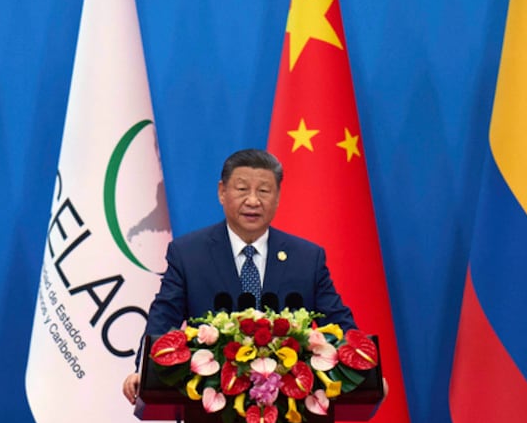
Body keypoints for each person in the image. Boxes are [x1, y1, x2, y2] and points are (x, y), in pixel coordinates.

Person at [122, 148, 355, 404]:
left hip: (292, 406)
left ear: (277, 196)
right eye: (242, 189)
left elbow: (337, 320)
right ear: (222, 192)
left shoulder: (307, 258)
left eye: (264, 191)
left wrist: (364, 368)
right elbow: (163, 317)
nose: (253, 201)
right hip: (210, 404)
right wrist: (142, 369)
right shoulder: (189, 254)